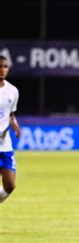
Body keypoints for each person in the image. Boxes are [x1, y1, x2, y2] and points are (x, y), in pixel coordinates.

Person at [0, 55, 21, 203]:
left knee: (10, 186)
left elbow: (10, 113)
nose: (2, 69)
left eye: (5, 66)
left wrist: (15, 124)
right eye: (0, 66)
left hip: (5, 144)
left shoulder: (13, 91)